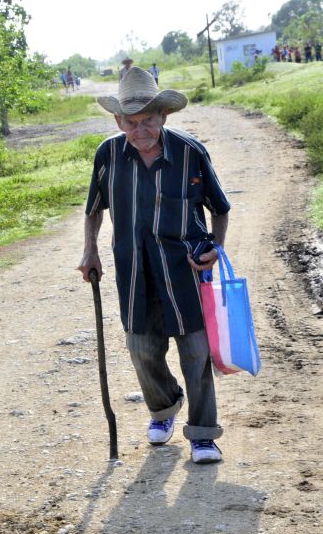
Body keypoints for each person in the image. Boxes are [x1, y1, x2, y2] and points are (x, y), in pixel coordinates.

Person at [77, 67, 231, 464]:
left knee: (195, 353)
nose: (140, 129)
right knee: (141, 348)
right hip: (134, 270)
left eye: (148, 120)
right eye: (132, 122)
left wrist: (217, 246)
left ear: (164, 116)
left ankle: (202, 436)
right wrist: (89, 250)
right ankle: (164, 408)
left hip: (186, 270)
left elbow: (220, 209)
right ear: (118, 120)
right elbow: (94, 209)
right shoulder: (108, 154)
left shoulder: (190, 153)